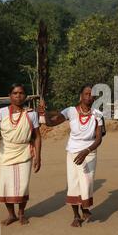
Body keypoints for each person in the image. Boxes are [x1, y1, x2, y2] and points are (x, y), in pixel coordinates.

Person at [39, 84, 103, 227]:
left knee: (87, 182)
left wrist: (87, 150)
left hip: (89, 152)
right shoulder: (70, 111)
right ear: (80, 96)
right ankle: (76, 216)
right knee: (74, 183)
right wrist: (44, 113)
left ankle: (84, 208)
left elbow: (99, 138)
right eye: (86, 94)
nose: (89, 97)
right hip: (73, 152)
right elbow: (52, 123)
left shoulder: (98, 114)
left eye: (91, 95)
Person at [0, 83, 42, 226]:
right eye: (15, 93)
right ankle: (11, 215)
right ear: (9, 96)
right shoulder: (1, 113)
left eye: (21, 93)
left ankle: (21, 213)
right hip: (6, 152)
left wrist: (38, 156)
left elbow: (37, 136)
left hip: (25, 151)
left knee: (22, 185)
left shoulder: (31, 113)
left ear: (25, 96)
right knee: (6, 185)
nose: (18, 96)